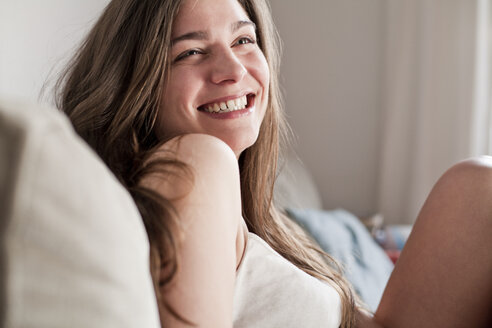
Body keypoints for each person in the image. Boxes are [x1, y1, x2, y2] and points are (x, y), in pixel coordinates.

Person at [55, 0, 492, 327]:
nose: (231, 69)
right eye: (190, 52)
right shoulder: (193, 165)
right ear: (135, 82)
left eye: (243, 40)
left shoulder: (246, 215)